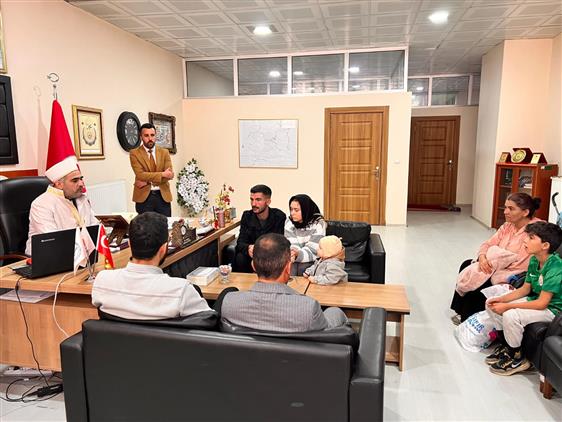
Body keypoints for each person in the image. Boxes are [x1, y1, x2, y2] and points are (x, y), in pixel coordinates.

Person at [92, 212, 212, 319]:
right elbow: (208, 321)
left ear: (129, 244)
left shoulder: (102, 281)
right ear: (163, 249)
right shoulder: (181, 291)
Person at [221, 233, 349, 332]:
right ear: (288, 267)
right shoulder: (308, 308)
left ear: (253, 266)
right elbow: (329, 331)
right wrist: (336, 311)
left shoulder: (229, 303)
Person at [485, 221, 562, 376]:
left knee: (511, 315)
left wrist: (508, 306)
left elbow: (542, 303)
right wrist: (502, 300)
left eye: (531, 238)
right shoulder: (534, 259)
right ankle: (507, 347)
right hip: (536, 300)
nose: (525, 240)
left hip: (552, 310)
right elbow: (525, 289)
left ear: (545, 245)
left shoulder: (556, 267)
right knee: (491, 303)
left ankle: (518, 359)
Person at [450, 193, 541, 324]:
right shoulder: (507, 226)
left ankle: (469, 316)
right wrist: (482, 258)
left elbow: (521, 263)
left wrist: (493, 265)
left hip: (514, 272)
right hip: (496, 263)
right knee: (467, 264)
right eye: (506, 207)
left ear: (525, 212)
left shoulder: (535, 230)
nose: (505, 212)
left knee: (483, 276)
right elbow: (488, 244)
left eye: (511, 208)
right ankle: (460, 310)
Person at [26, 162, 97, 256]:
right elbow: (52, 240)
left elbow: (94, 226)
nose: (81, 184)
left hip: (82, 253)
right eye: (75, 180)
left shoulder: (82, 198)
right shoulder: (42, 204)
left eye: (81, 179)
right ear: (59, 184)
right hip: (48, 256)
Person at [233, 184, 286, 273]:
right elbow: (240, 242)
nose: (253, 204)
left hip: (271, 255)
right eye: (251, 199)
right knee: (240, 258)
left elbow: (280, 244)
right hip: (251, 255)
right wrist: (248, 248)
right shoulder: (247, 216)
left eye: (258, 200)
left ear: (268, 201)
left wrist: (260, 249)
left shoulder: (279, 216)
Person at [130, 123, 174, 217]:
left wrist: (147, 181)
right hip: (144, 197)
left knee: (165, 224)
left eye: (152, 135)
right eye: (146, 135)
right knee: (145, 226)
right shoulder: (134, 153)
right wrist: (162, 174)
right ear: (141, 137)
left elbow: (170, 175)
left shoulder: (164, 152)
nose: (150, 138)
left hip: (163, 196)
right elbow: (140, 175)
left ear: (155, 136)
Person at [284, 194, 326, 276]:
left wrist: (298, 254)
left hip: (312, 257)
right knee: (290, 265)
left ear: (306, 210)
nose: (292, 213)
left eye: (296, 210)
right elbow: (291, 244)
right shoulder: (289, 222)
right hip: (295, 256)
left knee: (303, 267)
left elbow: (313, 250)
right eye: (291, 209)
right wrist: (293, 253)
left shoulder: (319, 223)